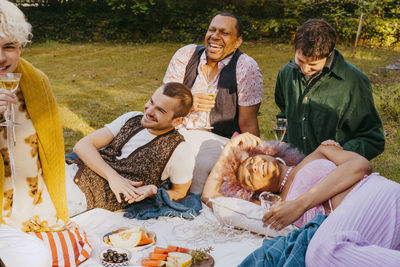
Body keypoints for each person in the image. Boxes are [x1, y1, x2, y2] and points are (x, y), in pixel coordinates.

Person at [0, 1, 77, 266]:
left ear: (20, 46)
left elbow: (52, 150)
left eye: (8, 47)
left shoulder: (37, 82)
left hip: (34, 203)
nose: (1, 57)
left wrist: (59, 208)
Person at [66, 82, 196, 216]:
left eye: (160, 110)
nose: (149, 111)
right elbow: (82, 146)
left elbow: (180, 193)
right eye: (151, 102)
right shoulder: (132, 118)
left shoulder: (180, 151)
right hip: (69, 169)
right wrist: (113, 177)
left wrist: (153, 191)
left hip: (81, 195)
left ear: (177, 121)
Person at [202, 133, 371, 229]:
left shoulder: (320, 151)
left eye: (253, 160)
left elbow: (361, 166)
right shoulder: (277, 206)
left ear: (266, 152)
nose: (254, 168)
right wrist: (228, 150)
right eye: (249, 177)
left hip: (376, 196)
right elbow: (209, 196)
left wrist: (301, 204)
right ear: (256, 192)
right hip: (356, 229)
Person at [274, 19, 385, 160]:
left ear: (329, 54)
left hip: (334, 172)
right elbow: (283, 112)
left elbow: (372, 138)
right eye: (300, 61)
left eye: (313, 65)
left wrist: (339, 154)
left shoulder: (354, 81)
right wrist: (285, 139)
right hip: (294, 166)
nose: (305, 69)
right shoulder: (286, 73)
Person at [163, 12, 263, 138]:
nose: (215, 36)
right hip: (175, 134)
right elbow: (163, 103)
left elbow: (247, 123)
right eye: (212, 30)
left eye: (224, 33)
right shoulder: (185, 55)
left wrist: (254, 153)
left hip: (218, 141)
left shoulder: (246, 67)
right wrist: (187, 104)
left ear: (238, 42)